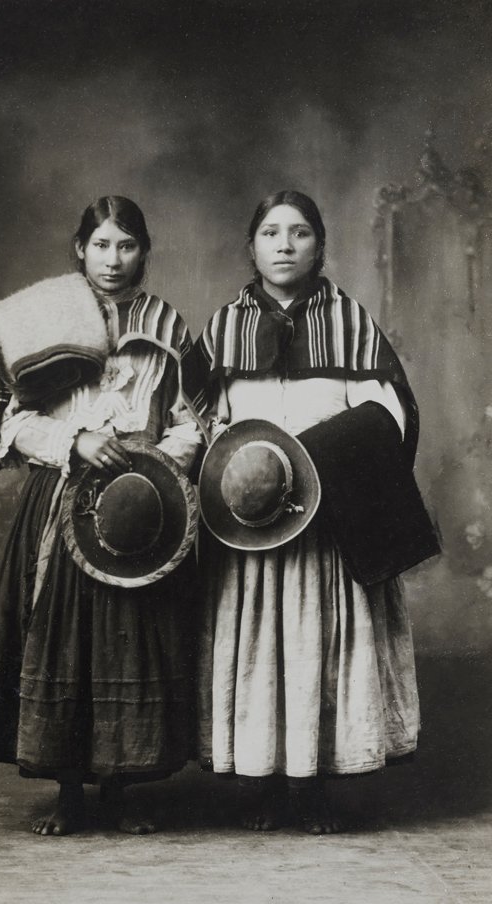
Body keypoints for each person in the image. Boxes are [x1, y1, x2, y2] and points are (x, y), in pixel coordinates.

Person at [192, 190, 431, 834]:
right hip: (251, 528)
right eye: (271, 232)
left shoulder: (350, 321)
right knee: (261, 651)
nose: (285, 245)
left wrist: (320, 456)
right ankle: (266, 784)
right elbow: (202, 419)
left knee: (318, 649)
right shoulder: (223, 328)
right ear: (251, 246)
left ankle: (315, 786)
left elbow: (388, 415)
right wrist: (239, 467)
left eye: (300, 233)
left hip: (328, 523)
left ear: (320, 245)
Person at [0, 196, 203, 836]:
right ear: (80, 249)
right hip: (60, 500)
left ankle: (121, 789)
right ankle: (69, 791)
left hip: (140, 507)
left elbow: (193, 424)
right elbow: (11, 423)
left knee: (129, 638)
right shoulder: (40, 317)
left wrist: (154, 457)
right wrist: (73, 443)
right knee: (62, 638)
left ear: (144, 253)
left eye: (127, 246)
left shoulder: (168, 328)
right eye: (101, 245)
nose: (114, 259)